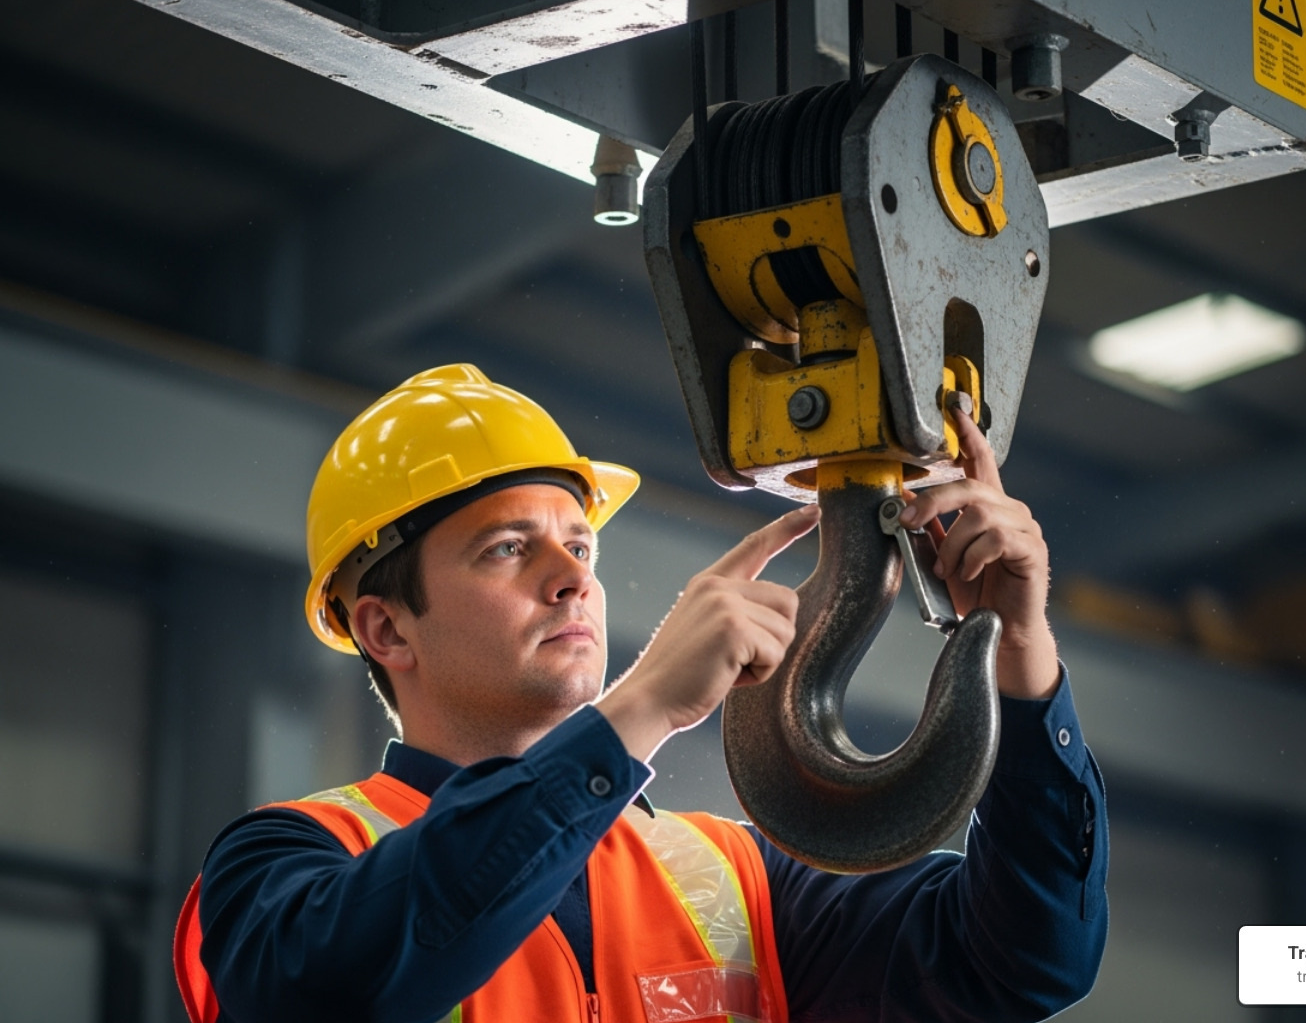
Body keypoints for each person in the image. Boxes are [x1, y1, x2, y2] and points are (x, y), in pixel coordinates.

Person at [174, 363, 1108, 1023]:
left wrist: (1014, 650)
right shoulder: (283, 865)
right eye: (508, 548)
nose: (572, 577)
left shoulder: (741, 883)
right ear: (385, 628)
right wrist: (639, 711)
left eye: (579, 545)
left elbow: (1028, 963)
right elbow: (339, 992)